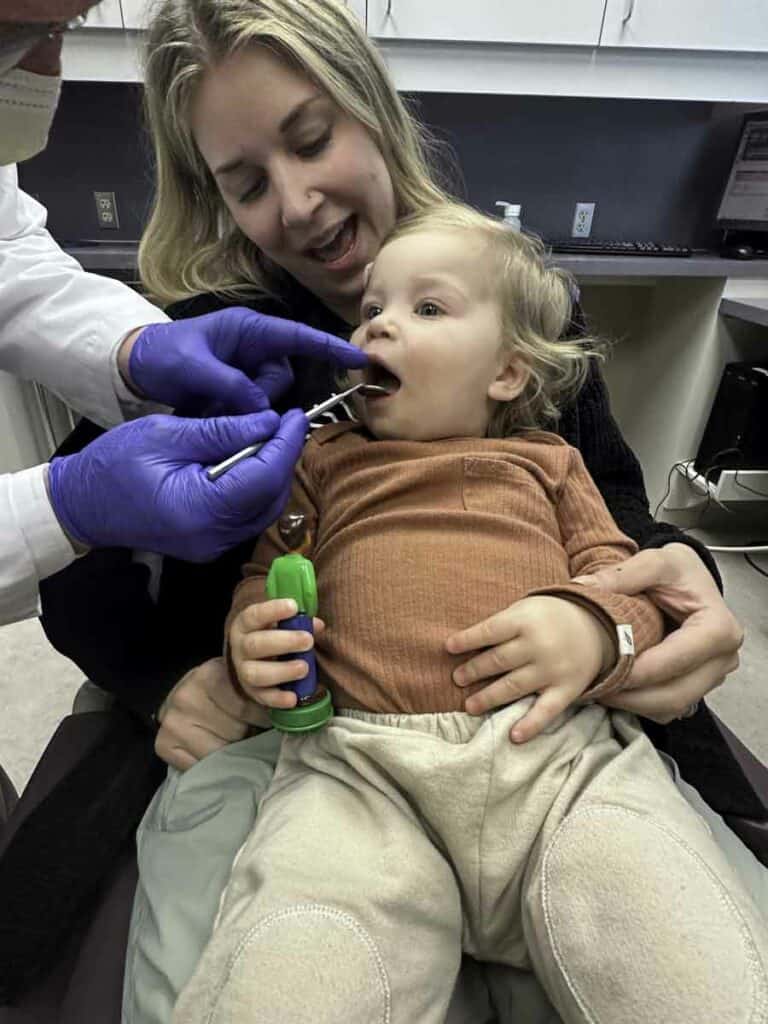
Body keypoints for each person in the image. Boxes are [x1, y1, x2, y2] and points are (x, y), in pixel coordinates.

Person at [19, 0, 762, 1021]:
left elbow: (619, 527)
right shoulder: (205, 350)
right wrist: (169, 678)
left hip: (547, 753)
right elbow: (80, 567)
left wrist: (643, 609)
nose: (299, 201)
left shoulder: (522, 305)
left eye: (313, 139)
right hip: (339, 761)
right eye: (246, 184)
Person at [170, 204, 768, 1024]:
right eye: (371, 309)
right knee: (297, 962)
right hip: (360, 776)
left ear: (508, 373)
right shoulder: (317, 461)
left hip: (560, 764)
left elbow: (627, 580)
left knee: (678, 955)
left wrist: (595, 630)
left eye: (426, 309)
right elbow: (271, 575)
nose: (378, 329)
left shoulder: (550, 462)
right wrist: (251, 639)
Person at [0, 0, 367, 629]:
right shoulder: (225, 311)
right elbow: (80, 602)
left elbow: (7, 250)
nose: (47, 62)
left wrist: (129, 349)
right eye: (17, 31)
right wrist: (63, 508)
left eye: (66, 26)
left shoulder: (519, 299)